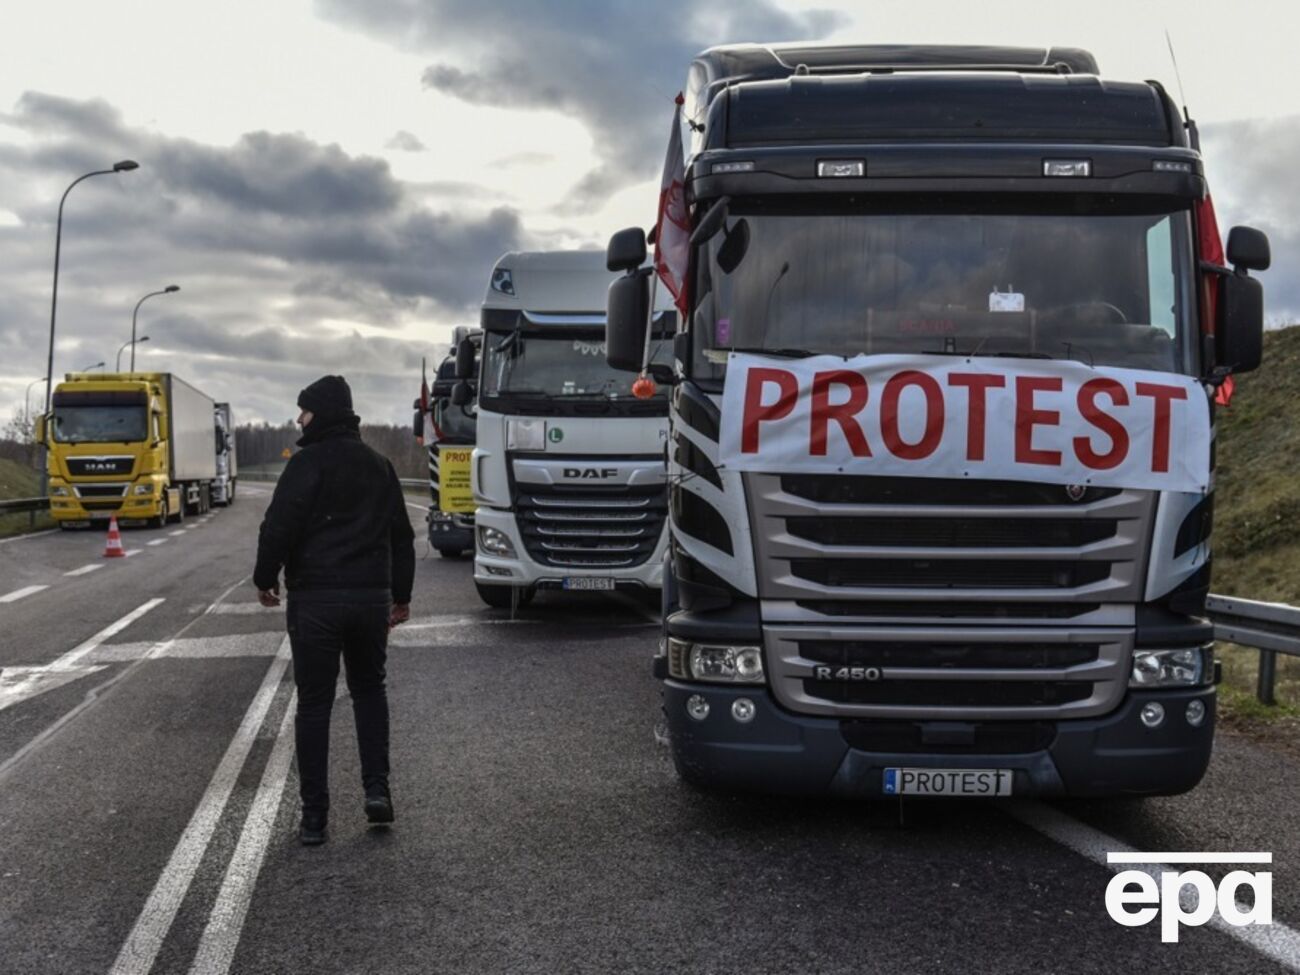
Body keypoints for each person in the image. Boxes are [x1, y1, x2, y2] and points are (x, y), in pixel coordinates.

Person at [254, 375, 415, 846]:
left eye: (303, 411)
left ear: (320, 413)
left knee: (315, 704)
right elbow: (401, 537)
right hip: (369, 601)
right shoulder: (380, 465)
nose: (299, 419)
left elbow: (277, 525)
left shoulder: (306, 464)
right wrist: (400, 596)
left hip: (316, 603)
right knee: (369, 692)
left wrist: (266, 578)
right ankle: (376, 792)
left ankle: (314, 817)